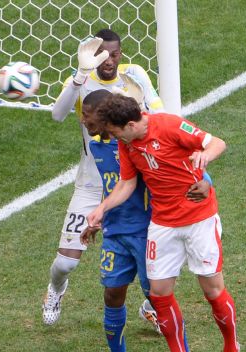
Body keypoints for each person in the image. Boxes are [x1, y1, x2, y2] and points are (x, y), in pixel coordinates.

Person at [88, 94, 241, 352]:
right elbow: (127, 183)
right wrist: (101, 209)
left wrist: (204, 159)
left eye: (117, 132)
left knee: (212, 291)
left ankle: (231, 350)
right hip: (163, 223)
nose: (114, 138)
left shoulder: (170, 126)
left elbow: (217, 143)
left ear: (130, 125)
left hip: (199, 219)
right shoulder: (127, 142)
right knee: (159, 294)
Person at [43, 28, 165, 329]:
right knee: (67, 262)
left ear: (120, 53)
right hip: (91, 183)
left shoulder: (134, 75)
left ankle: (151, 307)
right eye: (102, 54)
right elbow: (57, 115)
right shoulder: (81, 80)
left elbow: (160, 113)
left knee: (156, 251)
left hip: (131, 183)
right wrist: (79, 76)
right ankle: (56, 289)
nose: (108, 60)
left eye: (114, 54)